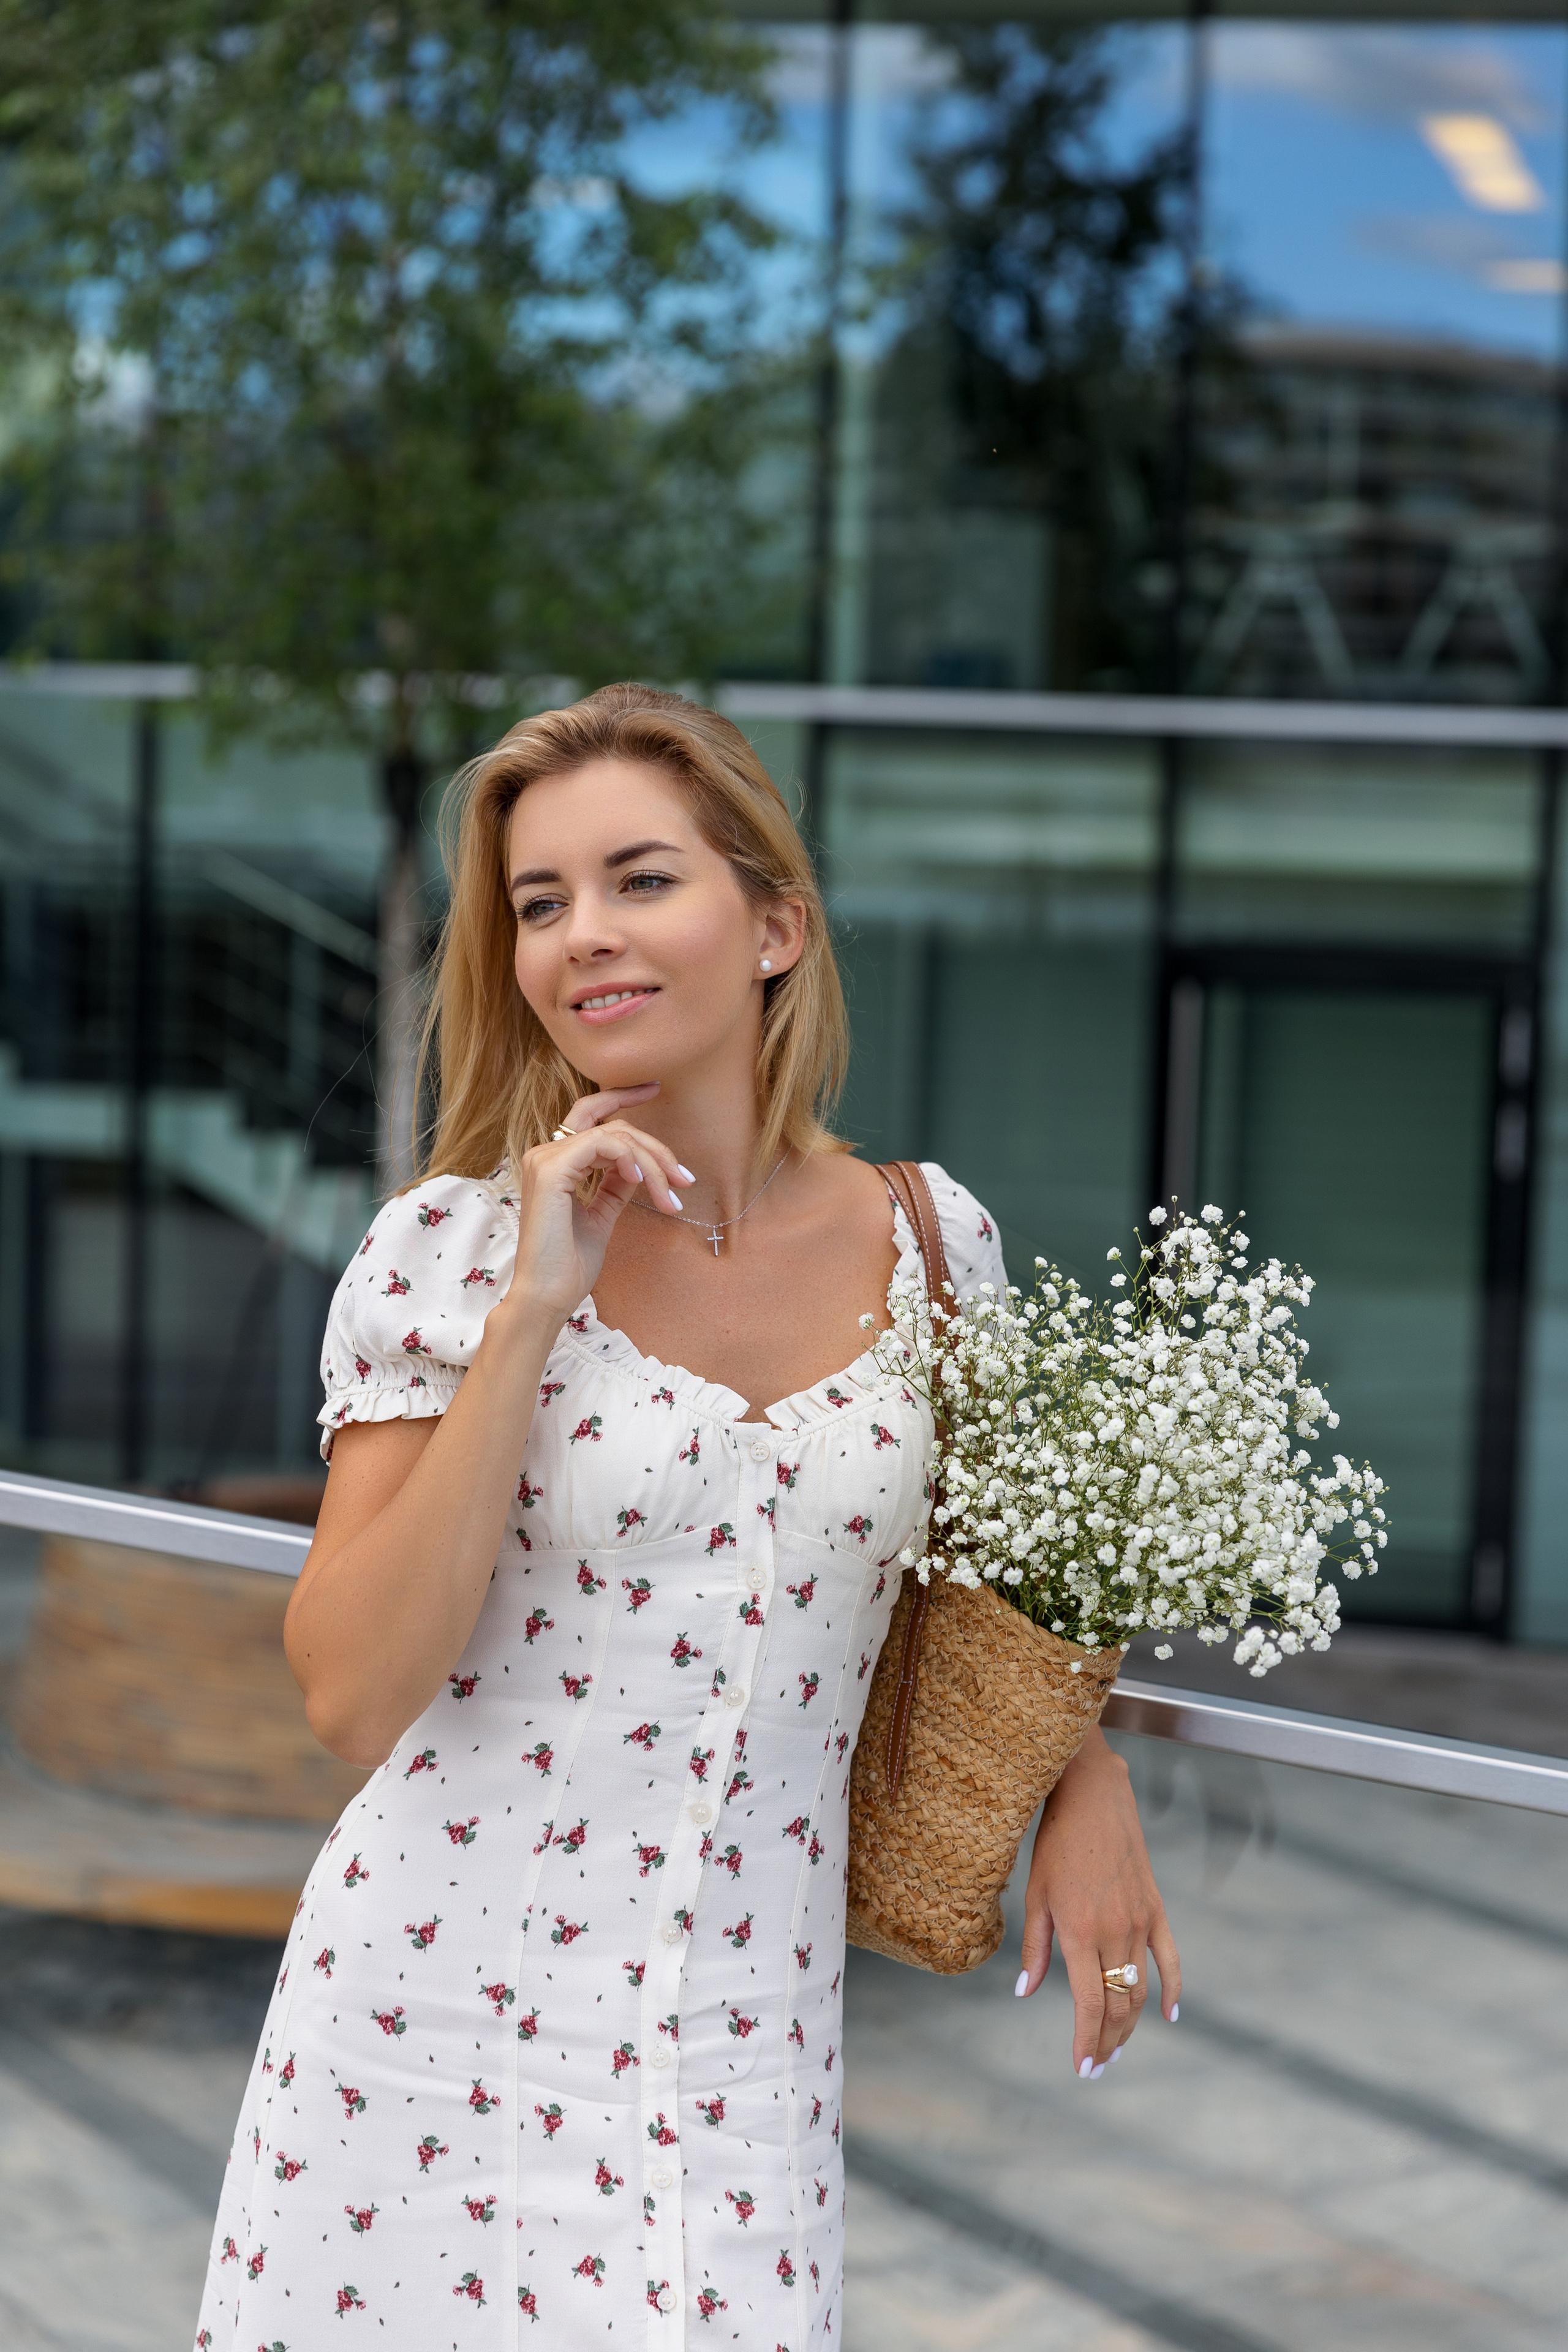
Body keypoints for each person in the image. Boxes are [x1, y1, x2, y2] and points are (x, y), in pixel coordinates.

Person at [195, 684, 1179, 2350]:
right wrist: (531, 1311)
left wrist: (1086, 1773)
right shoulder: (446, 1254)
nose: (586, 935)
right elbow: (352, 1694)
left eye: (642, 879)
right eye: (539, 901)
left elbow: (983, 1587)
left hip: (743, 2038)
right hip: (421, 2038)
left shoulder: (937, 1241)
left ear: (775, 923)